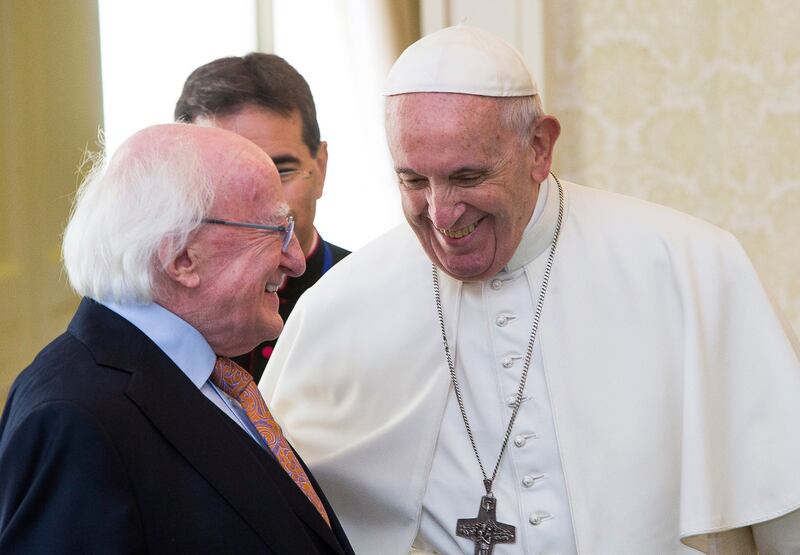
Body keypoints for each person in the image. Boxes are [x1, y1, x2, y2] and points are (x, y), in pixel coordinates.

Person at [261, 26, 800, 554]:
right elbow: (277, 510)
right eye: (413, 181)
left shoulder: (689, 267)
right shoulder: (342, 307)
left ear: (540, 147)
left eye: (468, 177)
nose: (442, 213)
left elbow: (785, 506)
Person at [0, 124, 354, 555]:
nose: (296, 260)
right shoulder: (73, 418)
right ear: (182, 258)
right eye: (274, 231)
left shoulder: (205, 374)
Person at [175, 53, 349, 380]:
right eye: (226, 179)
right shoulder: (163, 315)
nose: (261, 206)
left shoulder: (382, 298)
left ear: (320, 168)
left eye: (281, 170)